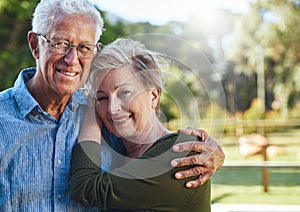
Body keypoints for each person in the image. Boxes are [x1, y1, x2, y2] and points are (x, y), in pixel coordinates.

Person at [0, 0, 224, 211]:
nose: (71, 59)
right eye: (59, 43)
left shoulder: (103, 119)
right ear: (34, 45)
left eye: (84, 48)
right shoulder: (100, 116)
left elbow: (91, 188)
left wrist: (211, 151)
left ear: (154, 96)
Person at [70, 38, 213, 211]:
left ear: (154, 96)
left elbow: (86, 188)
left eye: (124, 92)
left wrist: (91, 109)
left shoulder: (179, 153)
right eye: (102, 98)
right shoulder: (118, 152)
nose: (112, 108)